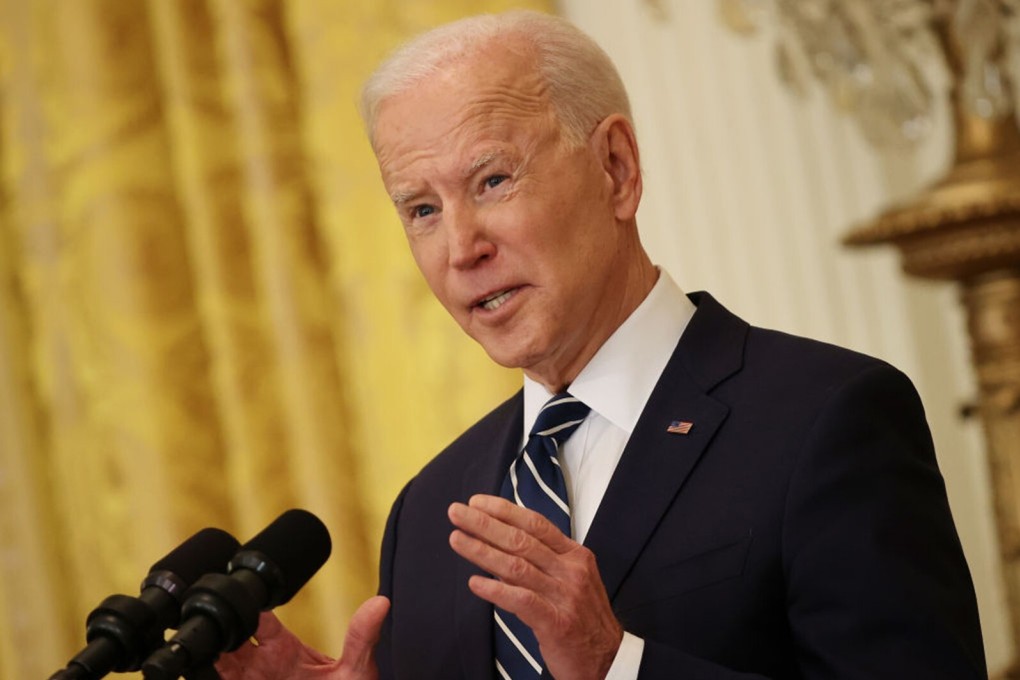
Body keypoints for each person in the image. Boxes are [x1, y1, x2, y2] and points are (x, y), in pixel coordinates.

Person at [216, 10, 986, 680]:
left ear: (615, 168)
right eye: (421, 209)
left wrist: (621, 666)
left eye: (491, 181)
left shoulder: (826, 419)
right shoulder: (428, 513)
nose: (460, 248)